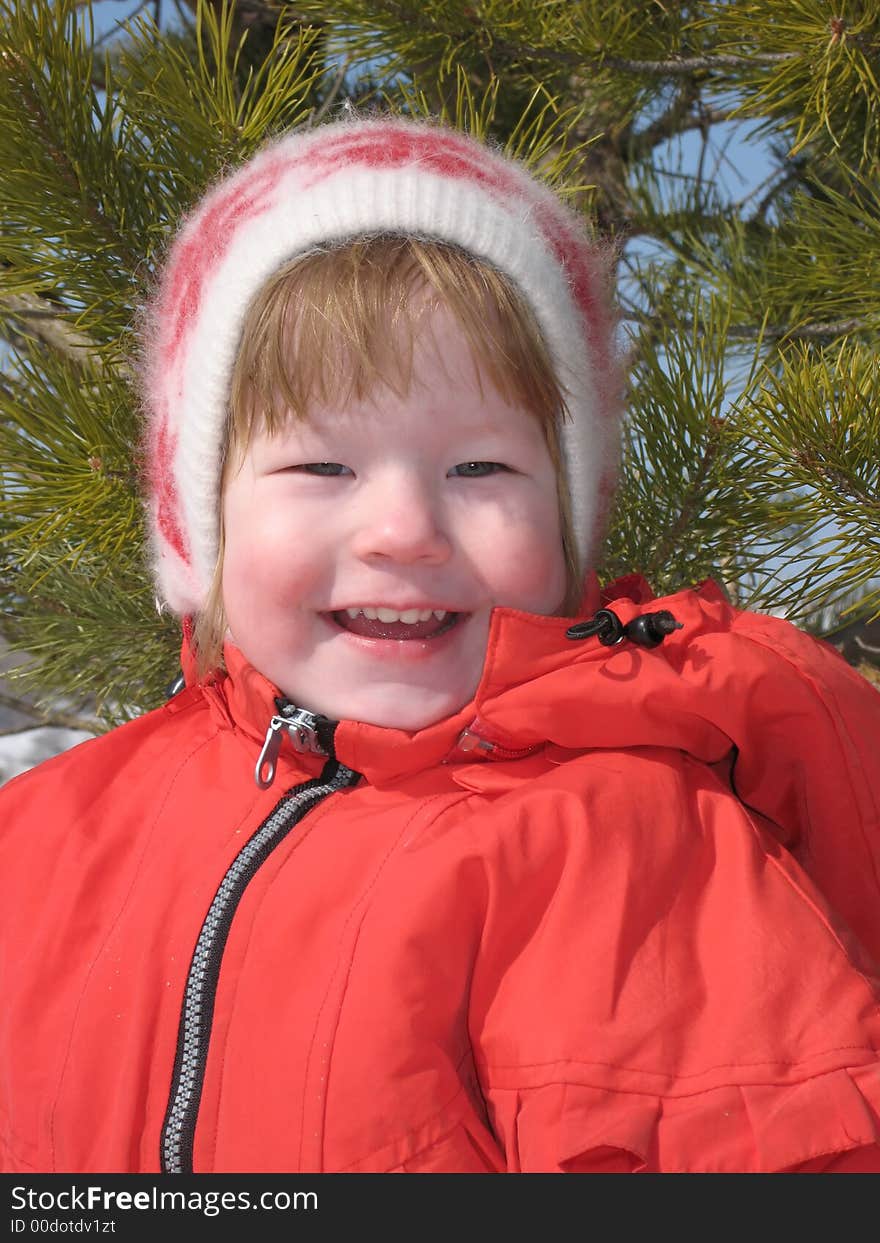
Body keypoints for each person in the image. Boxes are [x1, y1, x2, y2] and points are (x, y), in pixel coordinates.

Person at [1, 115, 879, 1176]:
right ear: (201, 524)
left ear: (565, 530)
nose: (404, 529)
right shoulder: (47, 835)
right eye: (321, 467)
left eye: (480, 469)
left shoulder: (633, 851)